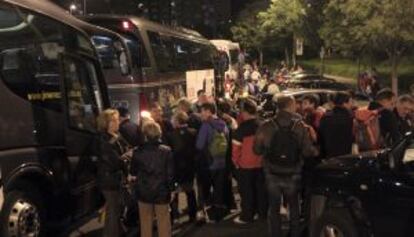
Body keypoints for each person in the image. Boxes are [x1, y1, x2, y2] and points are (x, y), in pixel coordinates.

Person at [254, 96, 318, 237]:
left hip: (272, 172)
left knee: (274, 207)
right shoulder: (299, 126)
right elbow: (307, 152)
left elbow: (256, 150)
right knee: (294, 206)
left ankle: (275, 234)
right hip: (293, 172)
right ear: (290, 106)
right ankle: (294, 233)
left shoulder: (265, 126)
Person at [130, 121, 175, 237]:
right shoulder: (166, 151)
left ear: (144, 134)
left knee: (145, 222)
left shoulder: (137, 151)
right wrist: (172, 190)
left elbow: (133, 172)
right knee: (164, 221)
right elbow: (170, 174)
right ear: (159, 133)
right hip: (162, 190)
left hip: (143, 190)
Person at [232, 99, 267, 224]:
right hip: (262, 163)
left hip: (246, 165)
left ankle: (247, 216)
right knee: (261, 190)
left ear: (244, 112)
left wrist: (236, 163)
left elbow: (236, 150)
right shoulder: (263, 125)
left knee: (247, 192)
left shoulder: (241, 129)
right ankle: (262, 213)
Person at [96, 109, 128, 237]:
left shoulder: (116, 136)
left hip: (115, 178)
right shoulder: (103, 139)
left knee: (115, 210)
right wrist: (125, 157)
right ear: (106, 123)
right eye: (114, 120)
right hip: (108, 179)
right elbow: (112, 160)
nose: (117, 122)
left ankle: (118, 231)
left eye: (117, 119)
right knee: (113, 212)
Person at [196, 102, 229, 222]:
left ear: (209, 111)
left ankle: (207, 213)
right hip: (222, 161)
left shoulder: (206, 125)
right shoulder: (223, 124)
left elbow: (199, 145)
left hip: (209, 163)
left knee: (205, 188)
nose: (201, 114)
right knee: (219, 188)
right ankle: (218, 215)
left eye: (202, 111)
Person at [167, 111, 198, 223]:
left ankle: (175, 217)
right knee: (190, 192)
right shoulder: (193, 132)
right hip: (190, 167)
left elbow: (169, 154)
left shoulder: (170, 135)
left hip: (176, 168)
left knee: (174, 194)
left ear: (176, 121)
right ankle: (193, 215)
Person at [319, 92, 354, 158]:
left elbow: (320, 136)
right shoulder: (350, 118)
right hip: (346, 156)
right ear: (344, 103)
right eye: (350, 102)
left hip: (328, 156)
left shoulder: (325, 117)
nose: (352, 105)